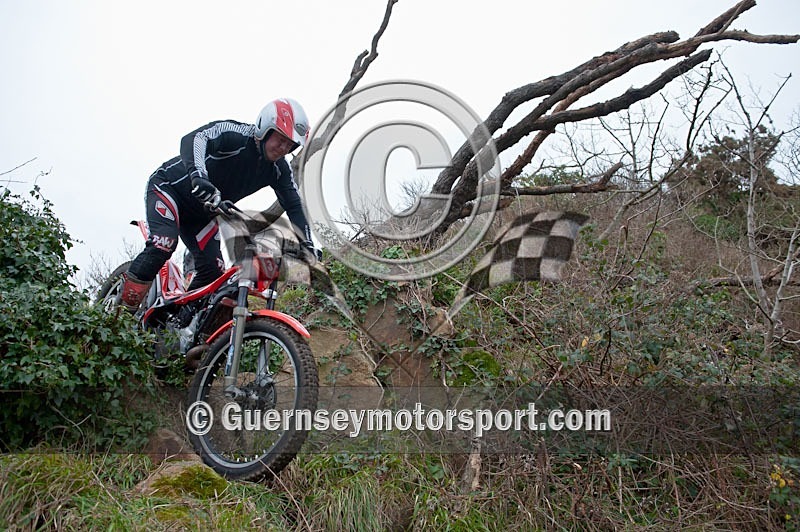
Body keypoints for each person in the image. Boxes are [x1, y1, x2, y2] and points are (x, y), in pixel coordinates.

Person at [117, 98, 315, 312]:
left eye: (290, 145)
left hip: (203, 214)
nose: (283, 148)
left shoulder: (280, 170)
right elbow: (194, 139)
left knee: (214, 272)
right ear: (265, 128)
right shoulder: (235, 134)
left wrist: (307, 243)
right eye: (281, 139)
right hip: (169, 189)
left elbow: (294, 205)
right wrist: (198, 176)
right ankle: (120, 316)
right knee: (163, 243)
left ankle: (178, 321)